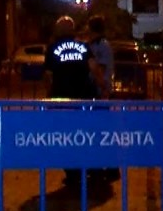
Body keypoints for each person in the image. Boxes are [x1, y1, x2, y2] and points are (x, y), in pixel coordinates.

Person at [46, 16, 105, 186]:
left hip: (61, 100)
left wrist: (49, 95)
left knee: (64, 136)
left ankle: (72, 172)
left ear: (58, 30)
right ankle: (90, 168)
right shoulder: (83, 46)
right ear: (72, 30)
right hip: (83, 98)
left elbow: (48, 76)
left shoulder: (52, 49)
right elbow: (94, 68)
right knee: (84, 134)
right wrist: (103, 87)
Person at [86, 15, 114, 99]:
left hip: (100, 90)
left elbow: (101, 69)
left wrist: (103, 88)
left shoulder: (102, 46)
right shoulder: (93, 45)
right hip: (94, 89)